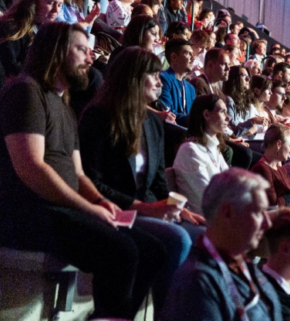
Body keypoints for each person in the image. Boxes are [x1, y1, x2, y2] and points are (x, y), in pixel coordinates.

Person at [0, 22, 166, 319]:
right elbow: (32, 169)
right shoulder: (26, 91)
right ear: (55, 52)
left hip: (60, 208)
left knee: (153, 250)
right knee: (122, 251)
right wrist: (88, 209)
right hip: (28, 210)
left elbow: (78, 175)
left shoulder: (64, 105)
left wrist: (102, 203)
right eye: (81, 49)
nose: (91, 57)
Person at [78, 47, 205, 314]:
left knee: (203, 235)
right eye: (154, 75)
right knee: (177, 239)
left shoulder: (153, 122)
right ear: (134, 77)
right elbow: (92, 181)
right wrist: (145, 208)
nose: (160, 82)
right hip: (112, 210)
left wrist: (180, 210)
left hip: (146, 209)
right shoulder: (99, 116)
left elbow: (158, 183)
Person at [161, 168, 282, 321]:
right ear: (228, 213)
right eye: (258, 212)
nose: (267, 222)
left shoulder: (242, 264)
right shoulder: (197, 285)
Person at [0, 0, 63, 88]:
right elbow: (10, 69)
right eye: (50, 3)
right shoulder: (12, 28)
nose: (56, 10)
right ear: (33, 1)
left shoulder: (43, 29)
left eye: (59, 5)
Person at [173, 94, 230, 212]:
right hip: (202, 222)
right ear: (206, 115)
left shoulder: (214, 148)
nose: (228, 118)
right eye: (223, 112)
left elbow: (231, 184)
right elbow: (209, 197)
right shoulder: (190, 150)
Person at [251, 123, 290, 208]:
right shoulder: (262, 169)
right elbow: (273, 207)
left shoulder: (282, 170)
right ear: (278, 144)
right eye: (289, 145)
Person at [159, 38, 196, 127]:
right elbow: (168, 114)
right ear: (174, 57)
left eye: (192, 54)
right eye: (188, 53)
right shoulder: (163, 79)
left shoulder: (190, 88)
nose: (193, 58)